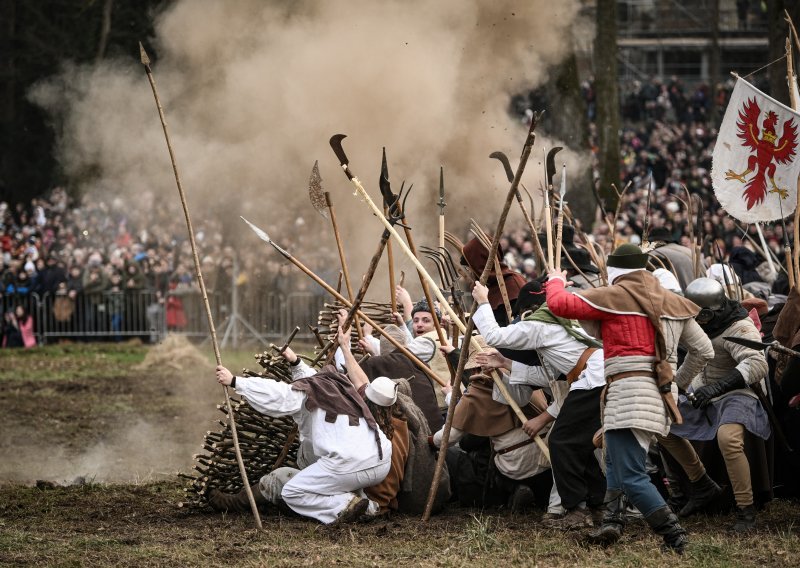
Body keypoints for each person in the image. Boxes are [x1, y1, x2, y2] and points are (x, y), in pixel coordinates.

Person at [545, 243, 714, 554]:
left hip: (629, 392)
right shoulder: (673, 301)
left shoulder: (616, 297)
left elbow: (558, 304)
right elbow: (704, 350)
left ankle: (675, 538)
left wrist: (555, 279)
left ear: (616, 273)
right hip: (656, 395)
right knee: (614, 460)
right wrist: (674, 382)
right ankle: (612, 522)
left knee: (632, 474)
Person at [471, 278, 607, 529]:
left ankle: (575, 510)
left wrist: (482, 301)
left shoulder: (538, 324)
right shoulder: (560, 323)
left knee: (560, 441)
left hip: (594, 380)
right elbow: (548, 377)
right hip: (599, 376)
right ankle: (596, 506)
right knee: (579, 443)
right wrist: (504, 363)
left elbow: (493, 335)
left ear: (528, 311)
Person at [209, 338, 392, 524]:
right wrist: (295, 361)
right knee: (311, 455)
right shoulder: (342, 387)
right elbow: (310, 376)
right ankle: (367, 505)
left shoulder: (308, 392)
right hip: (382, 460)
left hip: (350, 463)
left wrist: (235, 382)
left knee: (292, 492)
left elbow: (277, 394)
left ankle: (347, 506)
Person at [670, 277, 770, 531]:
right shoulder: (700, 324)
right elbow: (694, 359)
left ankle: (745, 509)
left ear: (708, 311)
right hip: (704, 392)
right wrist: (673, 391)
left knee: (729, 439)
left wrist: (718, 387)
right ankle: (701, 484)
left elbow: (757, 363)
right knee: (662, 423)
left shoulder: (739, 326)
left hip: (738, 393)